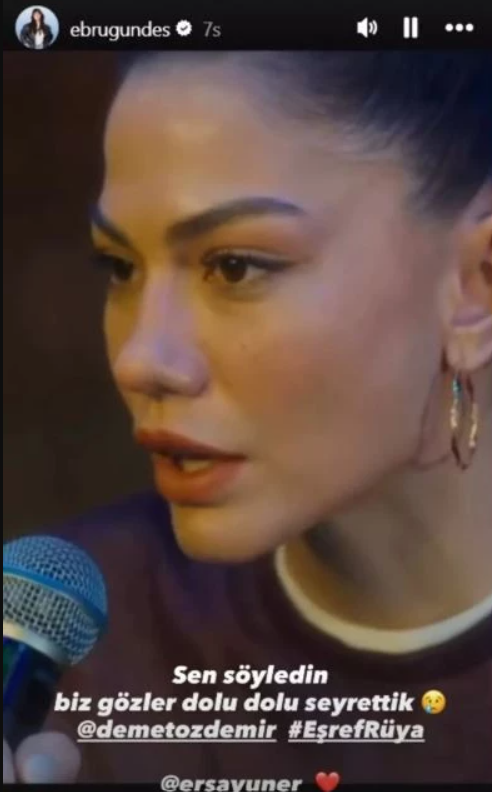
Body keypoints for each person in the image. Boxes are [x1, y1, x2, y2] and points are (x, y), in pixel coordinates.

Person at [3, 51, 492, 784]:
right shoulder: (60, 647)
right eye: (120, 267)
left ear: (476, 285)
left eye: (235, 266)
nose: (140, 360)